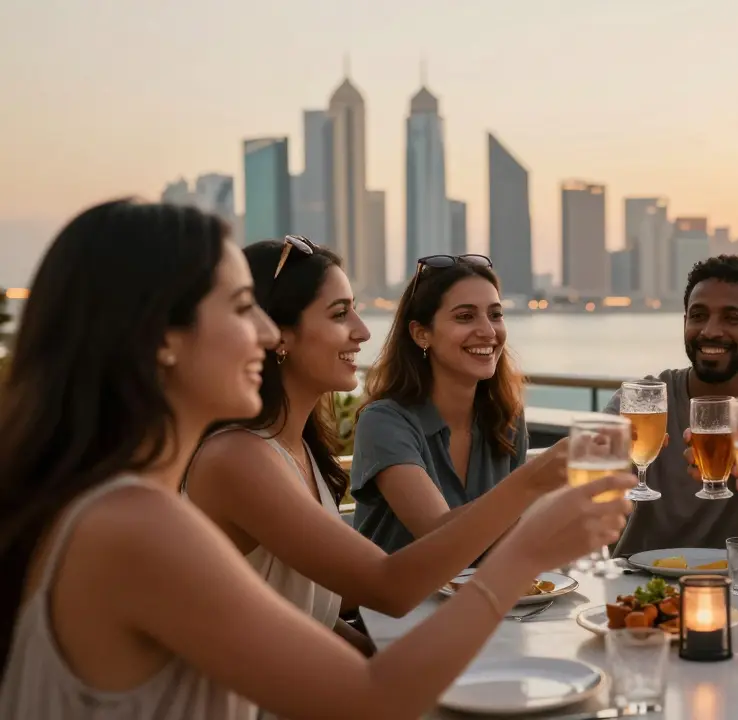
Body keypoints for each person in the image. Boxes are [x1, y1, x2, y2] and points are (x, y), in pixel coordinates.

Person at [0, 200, 634, 719]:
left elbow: (285, 629)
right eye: (243, 309)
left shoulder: (147, 497)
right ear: (164, 338)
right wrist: (528, 545)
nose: (266, 333)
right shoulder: (141, 519)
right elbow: (373, 685)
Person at [185, 238, 573, 667]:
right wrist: (535, 482)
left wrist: (381, 660)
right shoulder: (238, 459)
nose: (363, 330)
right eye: (339, 314)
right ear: (277, 334)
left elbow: (312, 614)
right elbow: (389, 587)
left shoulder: (297, 449)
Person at [606, 254, 738, 557]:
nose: (710, 331)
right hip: (638, 587)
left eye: (731, 318)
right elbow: (585, 500)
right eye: (698, 316)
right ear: (684, 323)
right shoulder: (642, 401)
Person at [350, 254, 535, 555]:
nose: (488, 331)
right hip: (398, 601)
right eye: (465, 316)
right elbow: (438, 534)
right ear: (421, 334)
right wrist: (537, 482)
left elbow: (511, 542)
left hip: (488, 597)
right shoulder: (384, 422)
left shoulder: (506, 417)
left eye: (495, 314)